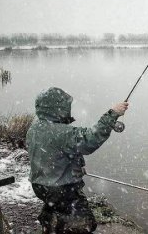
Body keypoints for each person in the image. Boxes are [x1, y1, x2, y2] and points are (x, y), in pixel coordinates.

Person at [27, 87, 128, 233]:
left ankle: (50, 226)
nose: (68, 109)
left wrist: (72, 168)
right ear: (57, 108)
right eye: (65, 106)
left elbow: (51, 156)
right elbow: (90, 139)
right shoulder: (62, 132)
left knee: (54, 209)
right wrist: (112, 114)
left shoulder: (34, 128)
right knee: (84, 224)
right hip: (61, 190)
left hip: (40, 187)